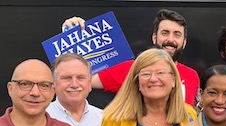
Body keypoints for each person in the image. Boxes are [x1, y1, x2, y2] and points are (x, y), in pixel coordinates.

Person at [62, 9, 199, 106]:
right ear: (154, 38)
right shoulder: (131, 68)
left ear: (184, 42)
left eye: (177, 34)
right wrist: (71, 36)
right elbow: (79, 80)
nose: (170, 39)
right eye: (165, 33)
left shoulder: (192, 75)